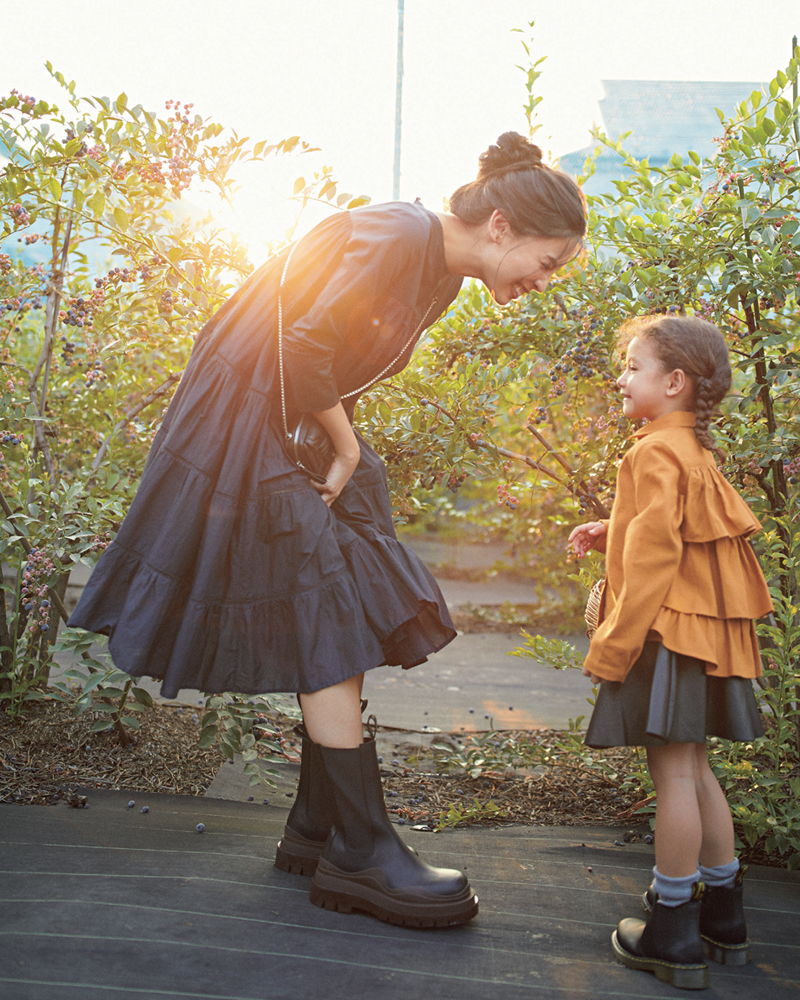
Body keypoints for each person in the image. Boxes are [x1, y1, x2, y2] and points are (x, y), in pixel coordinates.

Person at [70, 131, 586, 928]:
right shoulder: (396, 233)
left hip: (276, 425)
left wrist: (343, 449)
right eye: (548, 262)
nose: (543, 282)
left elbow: (332, 358)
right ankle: (359, 850)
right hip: (243, 424)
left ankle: (316, 827)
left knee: (355, 585)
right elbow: (301, 340)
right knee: (327, 607)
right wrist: (343, 444)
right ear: (501, 227)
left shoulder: (437, 275)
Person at [569, 315, 773, 988]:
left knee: (674, 779)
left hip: (663, 634)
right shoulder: (690, 451)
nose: (620, 378)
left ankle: (672, 925)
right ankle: (724, 913)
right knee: (697, 770)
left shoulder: (651, 452)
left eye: (633, 367)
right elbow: (674, 534)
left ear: (675, 382)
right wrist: (612, 528)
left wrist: (612, 650)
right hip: (704, 635)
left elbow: (654, 565)